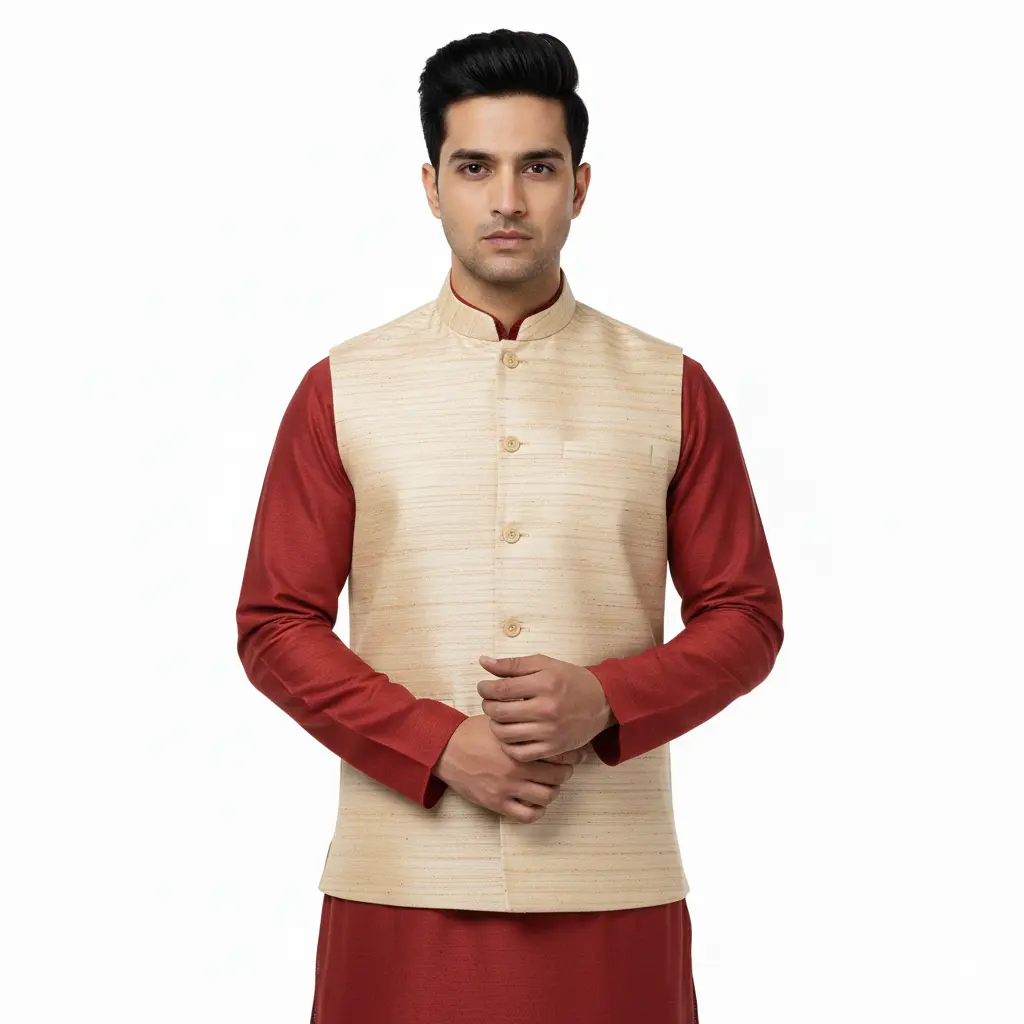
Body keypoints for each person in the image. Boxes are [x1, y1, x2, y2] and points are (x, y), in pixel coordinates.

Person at [235, 27, 783, 1024]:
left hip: (613, 891)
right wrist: (438, 743)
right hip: (399, 890)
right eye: (474, 167)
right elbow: (275, 626)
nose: (506, 200)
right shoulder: (342, 388)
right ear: (430, 186)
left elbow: (745, 616)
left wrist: (606, 700)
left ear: (580, 185)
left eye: (537, 167)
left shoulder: (671, 387)